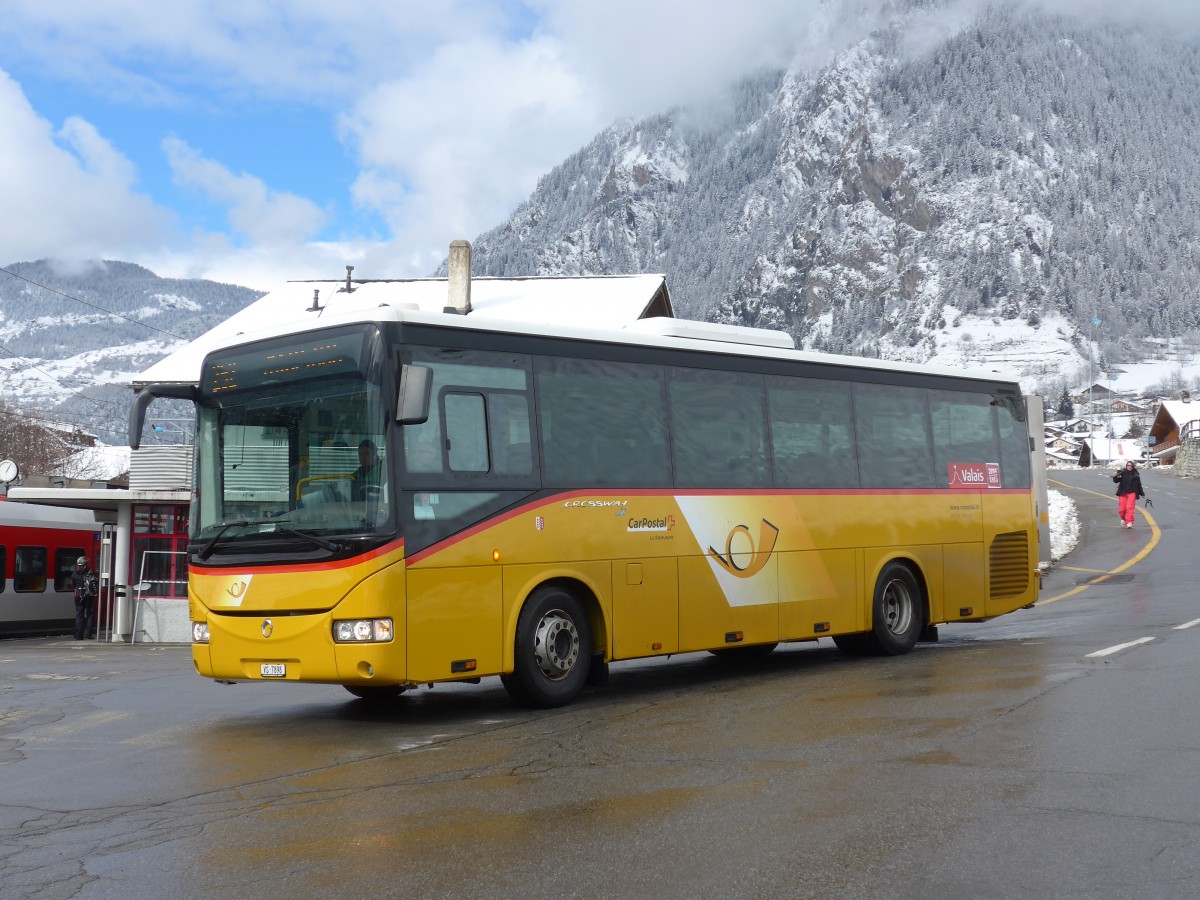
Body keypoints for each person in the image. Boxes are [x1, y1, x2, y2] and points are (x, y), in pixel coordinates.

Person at [72, 556, 98, 640]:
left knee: (79, 615)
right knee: (90, 614)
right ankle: (88, 633)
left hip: (78, 595)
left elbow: (73, 584)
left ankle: (78, 635)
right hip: (88, 595)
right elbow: (94, 581)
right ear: (85, 564)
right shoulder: (89, 572)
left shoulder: (74, 573)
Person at [1112, 460, 1144, 528]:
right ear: (1126, 466)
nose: (1129, 467)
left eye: (1130, 466)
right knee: (1122, 509)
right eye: (1128, 465)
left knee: (1129, 507)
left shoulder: (1136, 475)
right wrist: (1116, 474)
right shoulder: (1123, 472)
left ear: (1133, 466)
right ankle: (1123, 519)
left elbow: (1139, 485)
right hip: (1123, 492)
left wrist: (1142, 493)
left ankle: (1129, 522)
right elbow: (1116, 481)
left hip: (1132, 493)